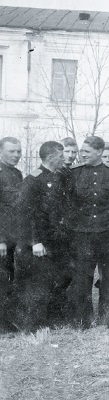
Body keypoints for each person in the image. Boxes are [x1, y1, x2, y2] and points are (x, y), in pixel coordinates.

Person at [64, 136, 109, 329]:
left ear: (99, 152)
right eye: (82, 151)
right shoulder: (73, 173)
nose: (82, 154)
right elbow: (68, 205)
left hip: (107, 233)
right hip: (81, 234)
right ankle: (81, 320)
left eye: (87, 152)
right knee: (81, 278)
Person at [13, 141, 66, 331]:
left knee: (54, 281)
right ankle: (32, 326)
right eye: (61, 156)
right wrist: (34, 241)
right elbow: (25, 213)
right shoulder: (33, 180)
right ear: (50, 157)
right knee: (37, 284)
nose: (64, 159)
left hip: (56, 240)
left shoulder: (58, 177)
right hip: (39, 243)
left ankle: (49, 321)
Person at [0, 136, 23, 329]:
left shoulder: (17, 174)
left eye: (18, 151)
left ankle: (7, 321)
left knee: (10, 279)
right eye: (11, 151)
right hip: (2, 238)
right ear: (1, 152)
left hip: (14, 236)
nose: (16, 155)